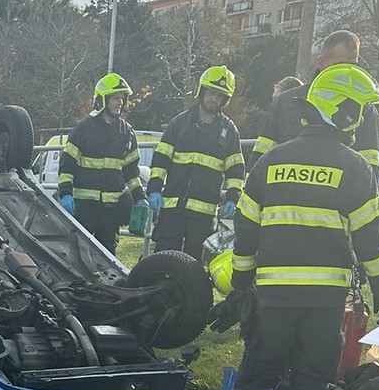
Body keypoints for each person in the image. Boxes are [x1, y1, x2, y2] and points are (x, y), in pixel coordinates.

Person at [203, 63, 379, 390]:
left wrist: (240, 284)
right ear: (342, 113)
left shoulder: (270, 162)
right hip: (326, 301)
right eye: (358, 112)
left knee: (258, 375)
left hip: (273, 296)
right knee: (313, 379)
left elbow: (245, 233)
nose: (360, 122)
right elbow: (370, 240)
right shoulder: (355, 169)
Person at [249, 30, 379, 177]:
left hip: (336, 197)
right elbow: (259, 161)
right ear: (321, 62)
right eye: (340, 65)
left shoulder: (364, 109)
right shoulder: (285, 102)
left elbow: (371, 169)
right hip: (285, 194)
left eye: (353, 66)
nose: (346, 72)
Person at [146, 65, 245, 260]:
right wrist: (155, 189)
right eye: (211, 92)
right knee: (163, 259)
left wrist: (233, 197)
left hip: (203, 214)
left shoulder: (229, 130)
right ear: (201, 91)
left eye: (219, 95)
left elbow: (236, 169)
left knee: (194, 266)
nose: (213, 99)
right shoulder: (180, 123)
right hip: (173, 209)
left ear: (225, 100)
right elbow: (161, 158)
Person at [58, 73, 147, 253]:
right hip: (84, 208)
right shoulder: (83, 130)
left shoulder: (126, 132)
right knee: (79, 254)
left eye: (122, 98)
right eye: (115, 98)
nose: (120, 103)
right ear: (102, 99)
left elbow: (131, 172)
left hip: (111, 210)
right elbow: (67, 166)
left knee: (107, 257)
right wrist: (65, 193)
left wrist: (140, 197)